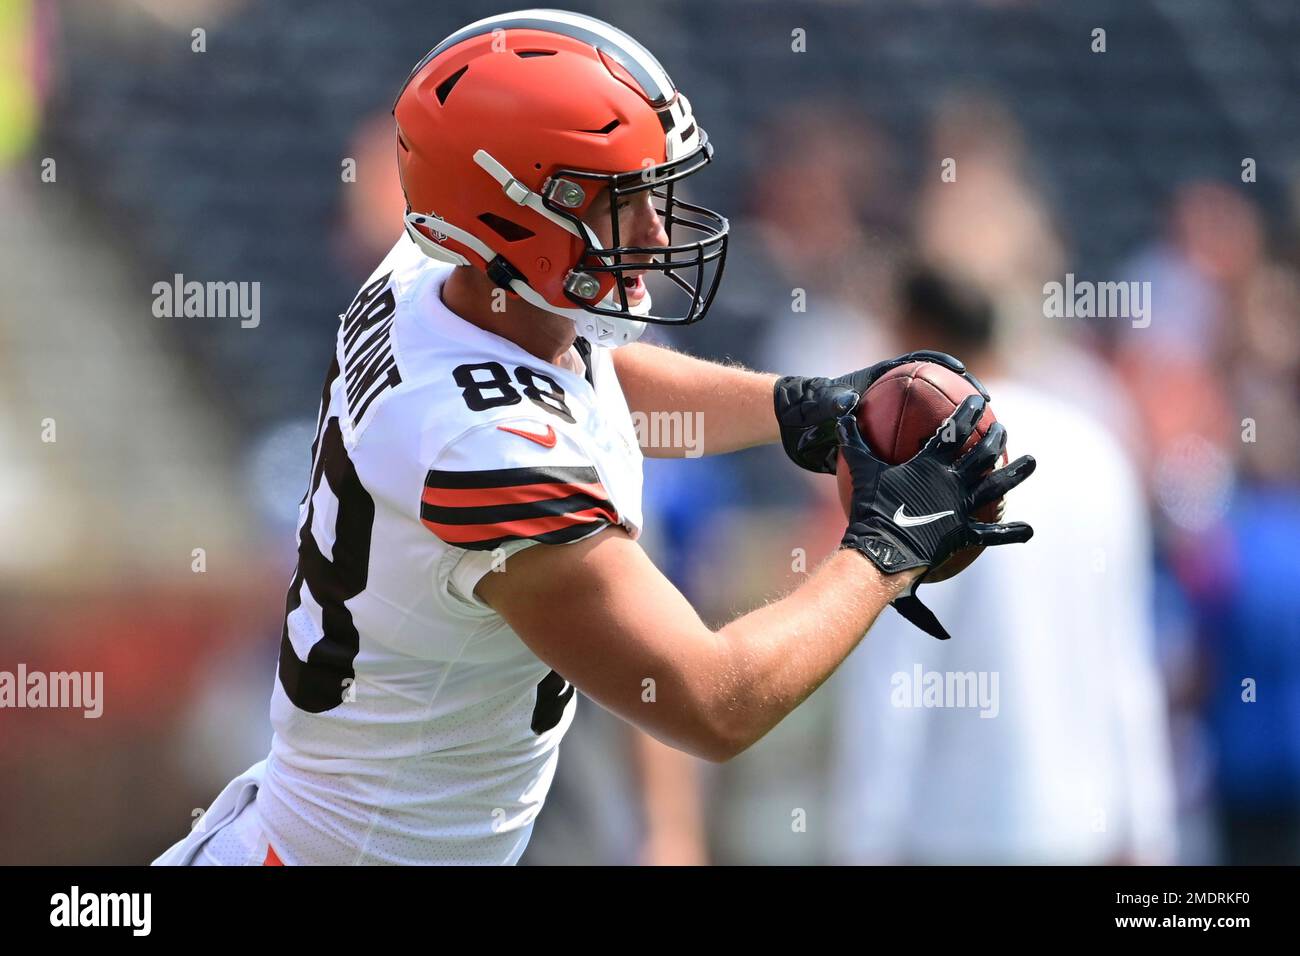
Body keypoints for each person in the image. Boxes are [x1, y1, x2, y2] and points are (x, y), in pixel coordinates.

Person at [153, 10, 1035, 866]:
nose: (656, 231)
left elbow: (585, 379)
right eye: (621, 203)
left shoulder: (442, 277)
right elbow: (712, 702)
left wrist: (794, 407)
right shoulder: (482, 451)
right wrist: (884, 550)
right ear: (513, 219)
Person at [829, 266, 1175, 864]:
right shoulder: (1096, 445)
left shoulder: (923, 462)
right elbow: (1129, 661)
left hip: (951, 835)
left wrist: (863, 843)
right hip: (1086, 831)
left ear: (917, 338)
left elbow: (900, 675)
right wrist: (1149, 833)